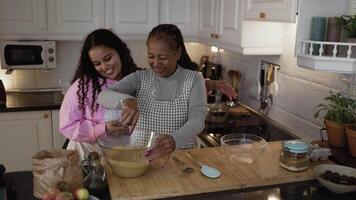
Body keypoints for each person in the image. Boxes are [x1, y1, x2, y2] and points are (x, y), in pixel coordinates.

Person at [98, 24, 208, 164]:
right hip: (139, 162)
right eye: (151, 56)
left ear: (178, 53)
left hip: (179, 162)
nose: (156, 63)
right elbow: (102, 96)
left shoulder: (194, 79)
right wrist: (126, 100)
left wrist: (174, 139)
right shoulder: (140, 78)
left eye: (162, 57)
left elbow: (197, 120)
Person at [59, 29, 138, 160]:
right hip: (88, 156)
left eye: (108, 58)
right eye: (97, 63)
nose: (105, 66)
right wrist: (103, 129)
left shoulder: (138, 80)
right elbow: (68, 125)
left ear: (119, 51)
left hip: (127, 155)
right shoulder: (82, 88)